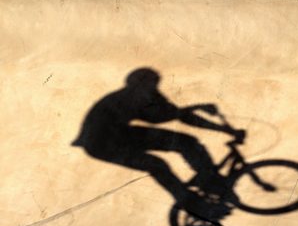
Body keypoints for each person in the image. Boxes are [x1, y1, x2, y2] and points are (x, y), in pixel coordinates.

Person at [72, 67, 245, 218]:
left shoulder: (151, 94)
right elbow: (159, 117)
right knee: (155, 164)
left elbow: (182, 115)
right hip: (100, 142)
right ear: (133, 84)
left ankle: (210, 182)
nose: (151, 87)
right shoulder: (128, 96)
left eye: (153, 83)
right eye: (147, 83)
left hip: (120, 134)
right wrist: (197, 107)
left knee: (186, 141)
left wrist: (226, 130)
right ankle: (191, 203)